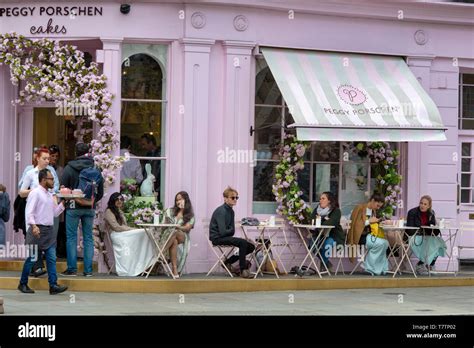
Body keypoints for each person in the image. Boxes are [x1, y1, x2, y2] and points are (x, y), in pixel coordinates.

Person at [17, 168, 68, 295]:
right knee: (32, 259)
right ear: (44, 180)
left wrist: (63, 203)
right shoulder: (35, 193)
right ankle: (22, 283)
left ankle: (53, 285)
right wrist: (33, 226)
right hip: (37, 230)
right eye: (51, 179)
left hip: (48, 231)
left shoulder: (50, 195)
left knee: (51, 258)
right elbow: (29, 212)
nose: (53, 181)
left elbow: (54, 213)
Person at [61, 143, 104, 277]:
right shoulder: (95, 168)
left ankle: (72, 269)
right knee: (88, 238)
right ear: (88, 152)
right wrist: (91, 201)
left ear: (76, 152)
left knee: (72, 238)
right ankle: (88, 270)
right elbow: (100, 192)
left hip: (73, 207)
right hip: (89, 207)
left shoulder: (69, 168)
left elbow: (63, 189)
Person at [19, 147, 60, 277]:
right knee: (34, 251)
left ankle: (52, 282)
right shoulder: (30, 172)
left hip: (47, 213)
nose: (47, 161)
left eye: (49, 158)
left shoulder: (51, 171)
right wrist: (37, 191)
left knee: (49, 252)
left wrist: (56, 202)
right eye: (44, 158)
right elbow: (21, 192)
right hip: (34, 214)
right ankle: (29, 276)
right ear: (37, 158)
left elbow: (55, 189)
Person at [103, 193, 155, 277]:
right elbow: (116, 227)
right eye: (117, 199)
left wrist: (130, 229)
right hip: (116, 235)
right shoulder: (109, 211)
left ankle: (143, 264)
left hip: (123, 233)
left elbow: (124, 225)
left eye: (121, 199)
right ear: (113, 201)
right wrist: (131, 229)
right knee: (143, 232)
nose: (119, 201)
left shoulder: (119, 211)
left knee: (145, 232)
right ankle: (136, 267)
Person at [209, 187, 255, 278]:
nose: (235, 200)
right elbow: (223, 232)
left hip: (223, 237)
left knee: (251, 246)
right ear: (225, 199)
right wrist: (229, 230)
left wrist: (229, 230)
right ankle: (243, 270)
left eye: (236, 198)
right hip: (217, 238)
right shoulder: (221, 211)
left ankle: (228, 262)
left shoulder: (231, 211)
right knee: (242, 242)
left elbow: (232, 231)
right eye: (232, 197)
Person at [348, 192, 388, 275]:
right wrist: (369, 221)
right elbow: (354, 224)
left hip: (370, 236)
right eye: (377, 206)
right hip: (360, 236)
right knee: (380, 243)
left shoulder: (373, 211)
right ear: (373, 200)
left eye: (379, 207)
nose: (378, 208)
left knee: (385, 243)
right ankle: (369, 267)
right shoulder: (360, 208)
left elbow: (371, 224)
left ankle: (381, 268)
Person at [407, 195, 447, 275]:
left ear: (429, 206)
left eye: (425, 204)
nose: (422, 205)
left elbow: (433, 230)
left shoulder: (431, 213)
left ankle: (430, 264)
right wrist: (423, 230)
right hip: (415, 236)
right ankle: (421, 264)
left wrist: (435, 226)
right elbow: (410, 229)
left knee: (440, 242)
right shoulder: (412, 212)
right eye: (421, 203)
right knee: (432, 243)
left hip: (427, 237)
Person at [159, 191, 195, 277]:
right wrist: (166, 222)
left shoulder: (190, 215)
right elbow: (162, 226)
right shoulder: (171, 211)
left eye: (180, 199)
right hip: (170, 235)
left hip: (182, 235)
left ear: (186, 200)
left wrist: (177, 227)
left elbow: (187, 228)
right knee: (174, 241)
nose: (178, 202)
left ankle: (161, 253)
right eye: (177, 200)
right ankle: (174, 269)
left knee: (175, 232)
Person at [309, 192, 345, 271]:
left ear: (329, 201)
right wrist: (324, 219)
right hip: (319, 235)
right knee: (312, 244)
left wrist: (319, 220)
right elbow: (311, 220)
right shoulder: (317, 209)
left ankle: (324, 264)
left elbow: (331, 223)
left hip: (333, 236)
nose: (320, 200)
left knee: (327, 244)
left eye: (323, 198)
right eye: (320, 199)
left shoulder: (336, 211)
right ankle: (326, 263)